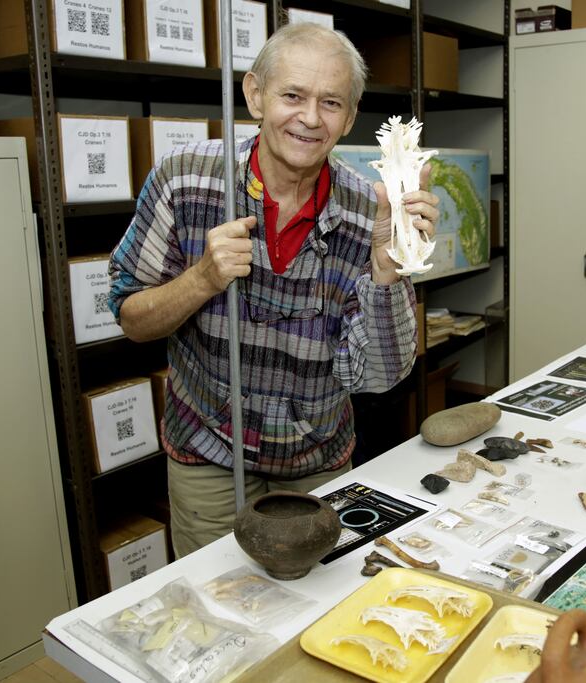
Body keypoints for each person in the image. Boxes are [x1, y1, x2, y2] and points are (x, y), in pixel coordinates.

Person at [108, 22, 440, 558]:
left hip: (316, 464)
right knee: (215, 608)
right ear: (255, 95)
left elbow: (380, 377)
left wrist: (388, 268)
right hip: (208, 457)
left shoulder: (367, 212)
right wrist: (202, 279)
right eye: (292, 96)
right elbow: (131, 318)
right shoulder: (185, 178)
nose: (310, 118)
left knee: (310, 613)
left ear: (351, 117)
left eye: (331, 102)